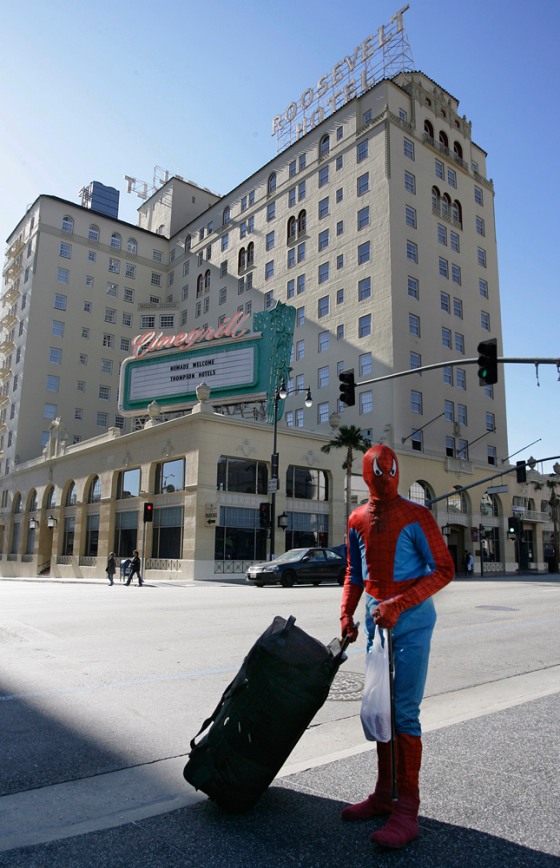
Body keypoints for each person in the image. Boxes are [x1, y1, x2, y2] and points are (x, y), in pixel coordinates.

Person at [339, 444, 454, 850]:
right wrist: (346, 616)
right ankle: (384, 796)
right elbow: (355, 570)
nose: (386, 479)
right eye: (380, 473)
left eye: (391, 472)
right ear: (368, 477)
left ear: (398, 472)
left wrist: (399, 604)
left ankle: (407, 808)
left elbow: (444, 569)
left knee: (403, 712)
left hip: (411, 623)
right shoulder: (356, 518)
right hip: (377, 623)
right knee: (380, 709)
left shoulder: (417, 515)